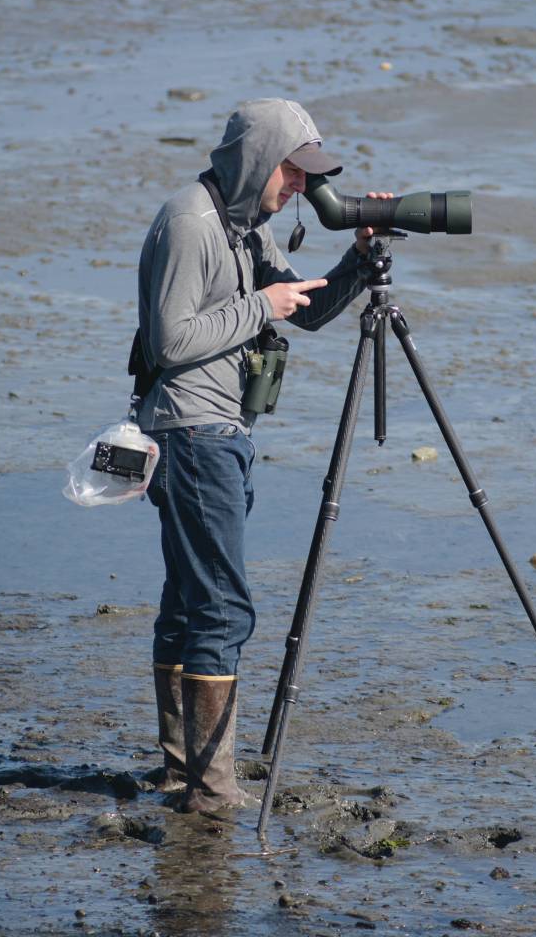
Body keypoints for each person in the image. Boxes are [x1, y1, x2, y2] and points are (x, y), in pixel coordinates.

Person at [136, 97, 391, 812]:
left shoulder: (244, 223)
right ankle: (210, 788)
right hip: (191, 432)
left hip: (220, 431)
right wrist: (261, 308)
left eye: (309, 176)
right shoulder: (191, 221)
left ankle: (182, 772)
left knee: (192, 603)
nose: (301, 187)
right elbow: (170, 342)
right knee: (221, 608)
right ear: (257, 160)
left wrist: (359, 252)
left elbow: (302, 308)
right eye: (292, 170)